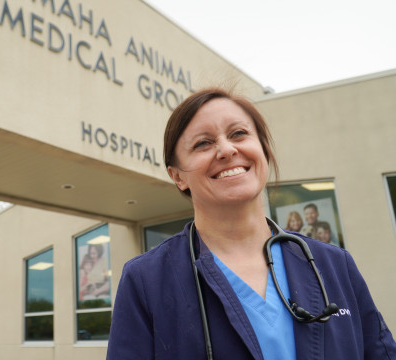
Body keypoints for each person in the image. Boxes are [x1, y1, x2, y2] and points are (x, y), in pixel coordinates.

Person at [107, 88, 396, 359]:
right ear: (177, 176)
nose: (226, 149)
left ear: (264, 150)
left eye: (239, 133)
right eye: (203, 143)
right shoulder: (145, 281)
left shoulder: (336, 265)